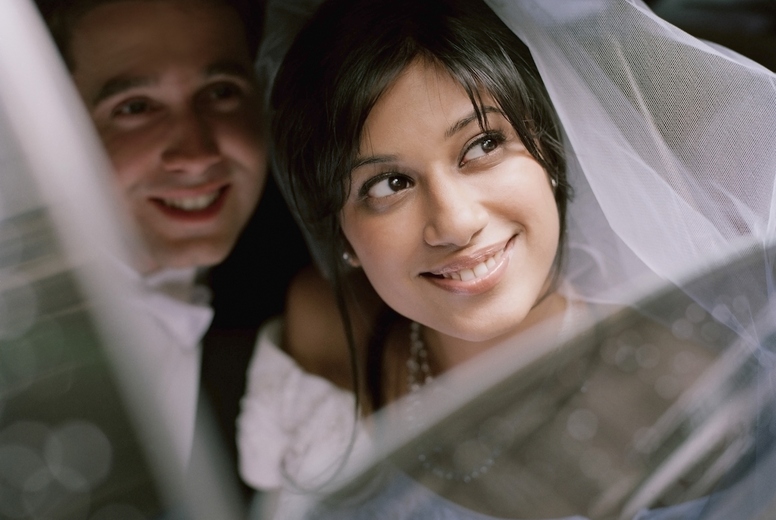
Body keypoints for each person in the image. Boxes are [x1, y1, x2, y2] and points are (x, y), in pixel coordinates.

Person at [238, 0, 776, 518]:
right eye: (391, 183)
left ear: (551, 155)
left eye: (482, 146)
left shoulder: (687, 390)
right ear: (341, 237)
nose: (455, 222)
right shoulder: (327, 327)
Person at [34, 0, 309, 508]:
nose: (197, 152)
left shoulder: (291, 296)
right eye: (135, 107)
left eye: (221, 92)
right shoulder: (36, 353)